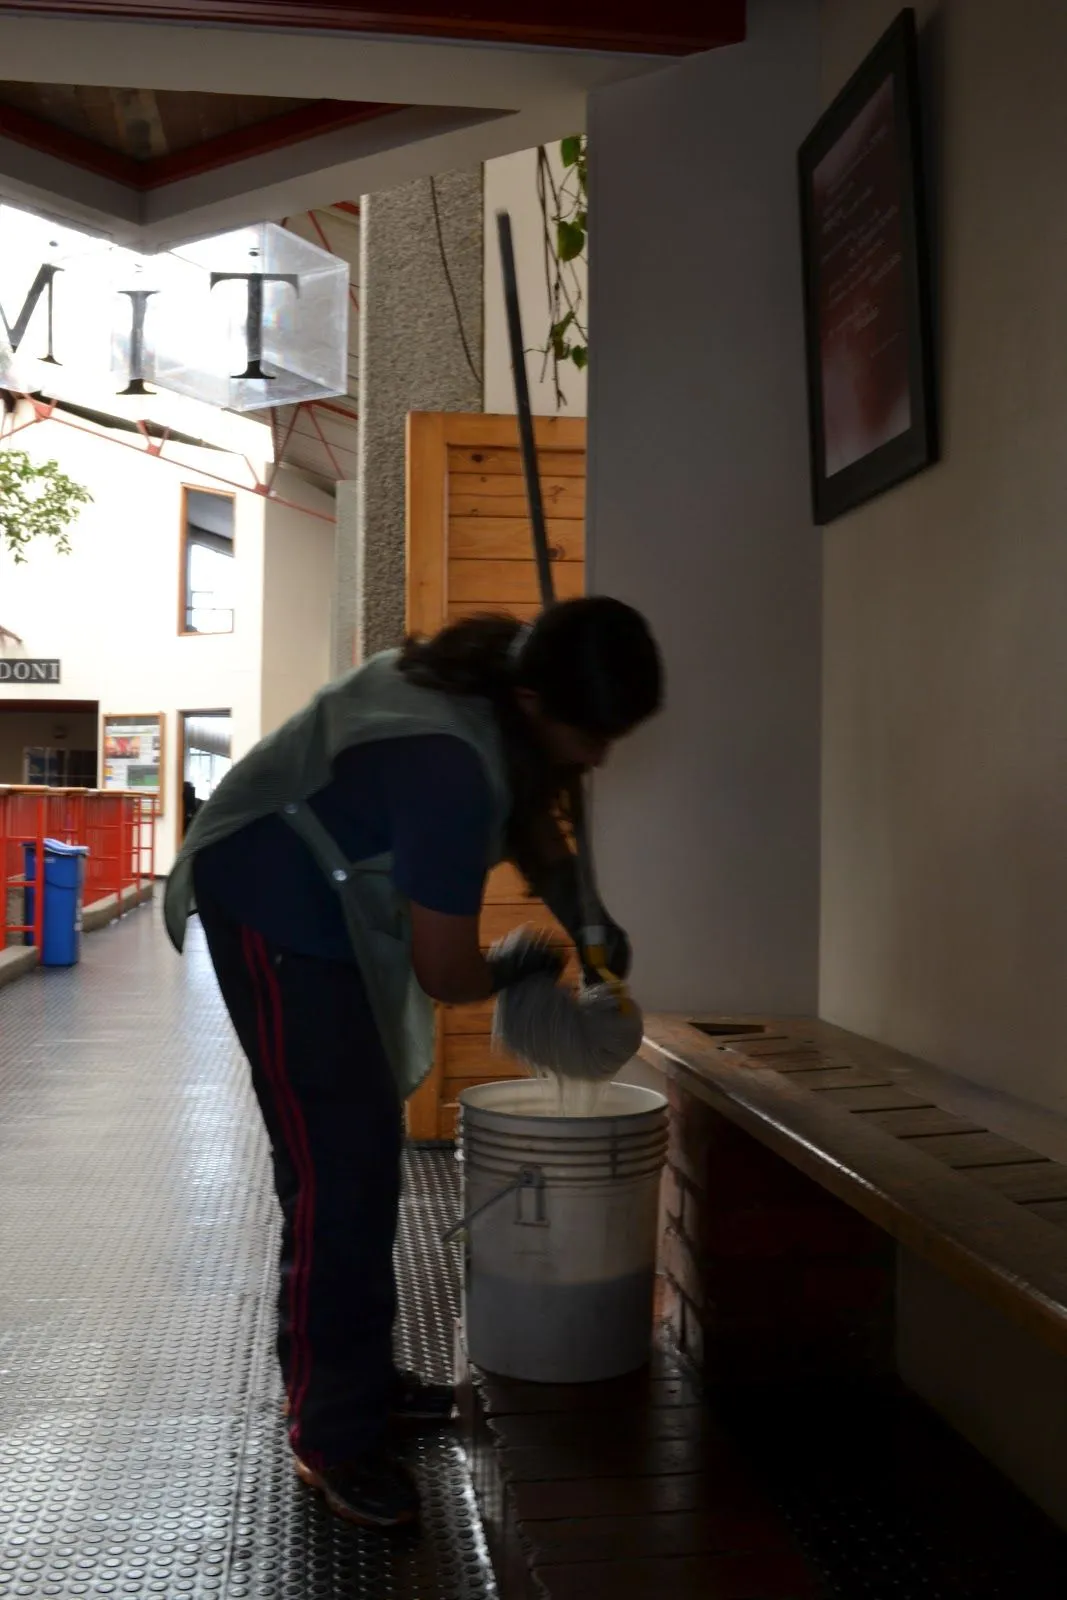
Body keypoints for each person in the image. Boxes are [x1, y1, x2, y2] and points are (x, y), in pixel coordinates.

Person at [164, 596, 663, 1529]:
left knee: (355, 1162)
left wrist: (584, 912)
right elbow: (446, 970)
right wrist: (525, 964)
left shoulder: (487, 694)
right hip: (272, 909)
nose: (598, 757)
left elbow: (538, 824)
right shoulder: (446, 767)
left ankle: (351, 1378)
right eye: (589, 735)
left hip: (329, 900)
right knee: (335, 1175)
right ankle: (331, 1434)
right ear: (529, 699)